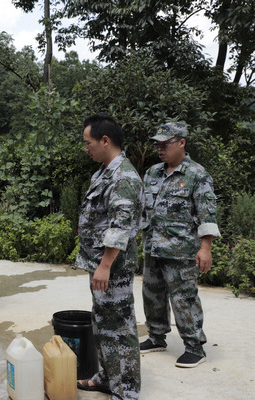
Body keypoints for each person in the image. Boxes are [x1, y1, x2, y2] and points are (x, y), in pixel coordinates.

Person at [141, 122, 220, 368]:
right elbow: (143, 209)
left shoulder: (197, 174)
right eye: (157, 145)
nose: (160, 149)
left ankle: (195, 348)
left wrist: (205, 248)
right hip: (153, 246)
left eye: (165, 144)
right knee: (152, 295)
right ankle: (156, 337)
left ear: (182, 143)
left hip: (181, 250)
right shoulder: (152, 173)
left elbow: (207, 213)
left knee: (184, 299)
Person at [74, 113, 143, 400]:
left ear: (105, 140)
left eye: (89, 143)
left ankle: (126, 390)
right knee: (102, 322)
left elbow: (120, 226)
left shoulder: (124, 177)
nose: (86, 148)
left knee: (120, 327)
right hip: (101, 265)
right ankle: (106, 377)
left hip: (112, 267)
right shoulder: (104, 172)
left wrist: (104, 265)